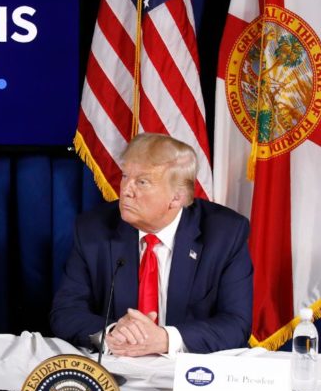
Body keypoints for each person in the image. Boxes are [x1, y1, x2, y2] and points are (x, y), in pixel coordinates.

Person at [50, 133, 253, 356]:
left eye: (142, 182)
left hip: (188, 374)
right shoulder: (93, 229)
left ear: (177, 197)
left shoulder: (225, 234)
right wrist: (114, 331)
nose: (126, 190)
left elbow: (236, 324)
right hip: (118, 368)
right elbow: (65, 312)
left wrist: (165, 339)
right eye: (125, 176)